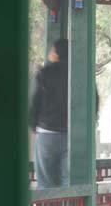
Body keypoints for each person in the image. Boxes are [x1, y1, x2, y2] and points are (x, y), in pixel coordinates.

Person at [29, 38, 98, 189]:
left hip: (47, 134)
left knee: (46, 182)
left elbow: (33, 102)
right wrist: (88, 126)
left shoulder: (44, 73)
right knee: (69, 182)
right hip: (75, 136)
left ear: (56, 54)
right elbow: (94, 101)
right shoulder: (83, 74)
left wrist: (33, 125)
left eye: (52, 50)